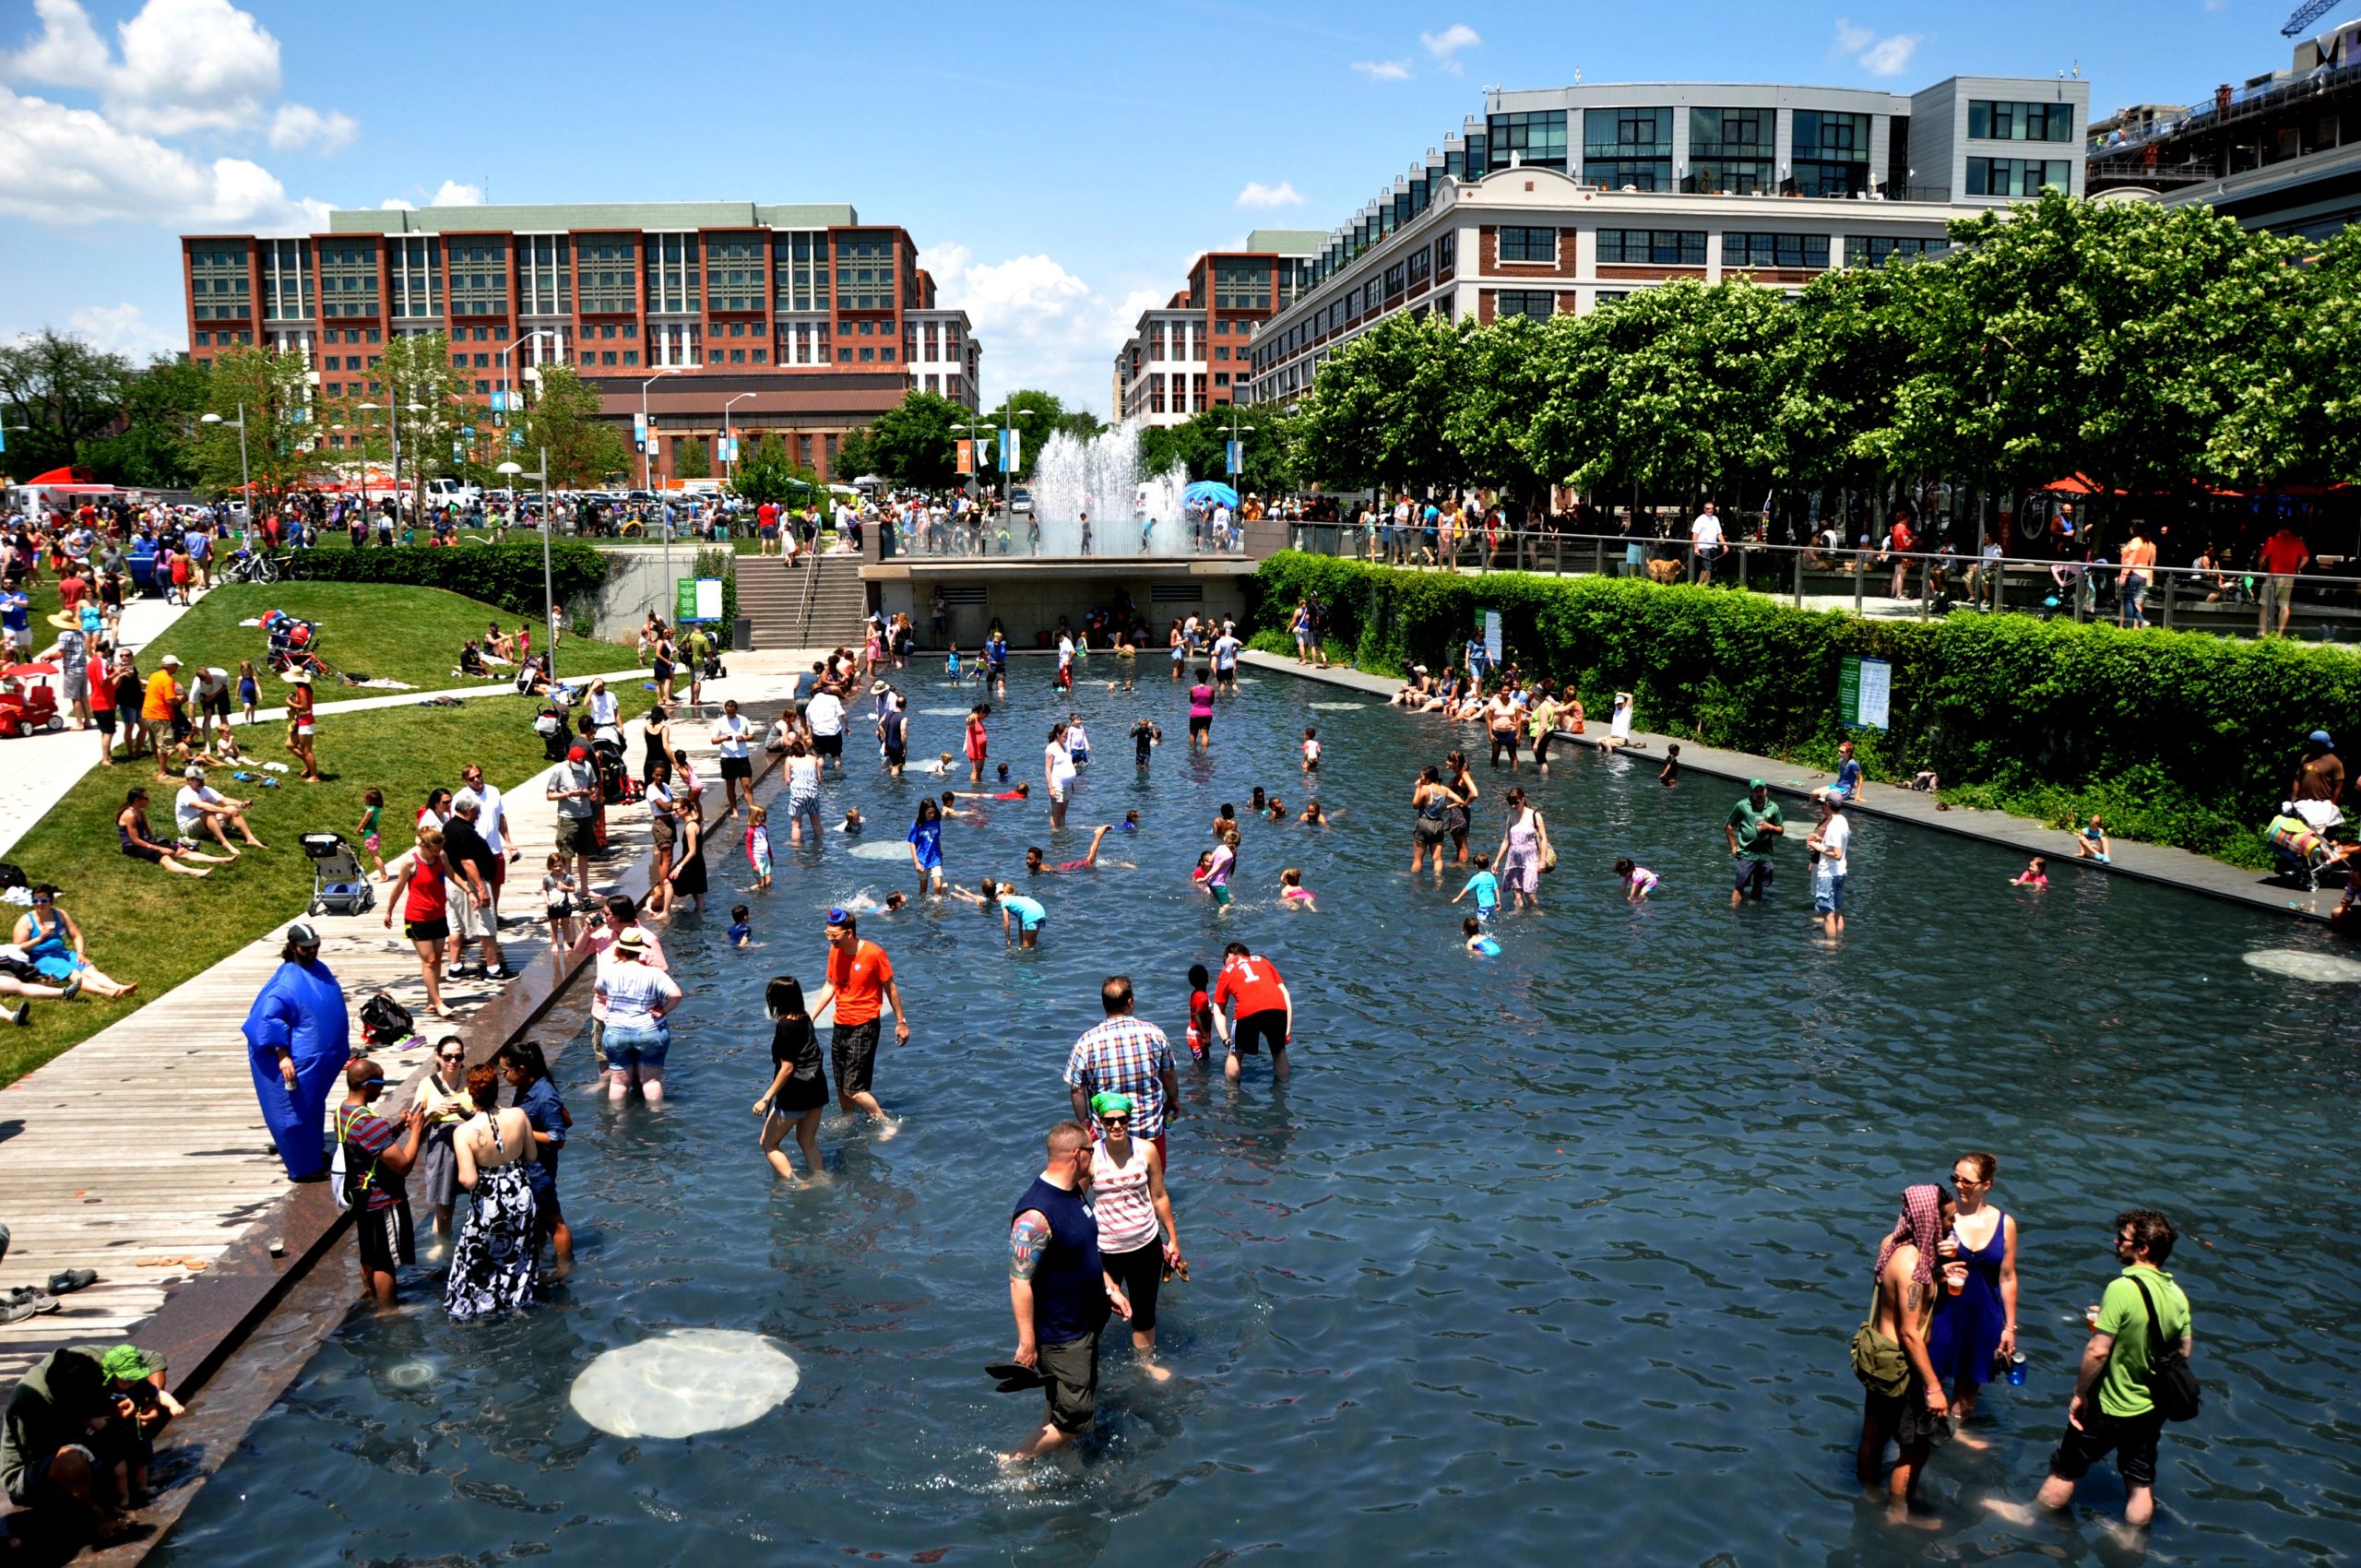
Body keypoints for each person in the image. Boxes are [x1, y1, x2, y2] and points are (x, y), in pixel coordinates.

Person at [1003, 1122, 1133, 1461]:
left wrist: (1110, 1289)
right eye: (1092, 1151)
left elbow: (1085, 1251)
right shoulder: (1034, 1216)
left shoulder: (1075, 1192)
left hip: (1086, 1322)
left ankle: (1053, 1459)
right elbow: (1019, 1281)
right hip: (1061, 1335)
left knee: (1058, 1404)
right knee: (1075, 1420)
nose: (1095, 1156)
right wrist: (1027, 1342)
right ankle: (1015, 1461)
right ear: (1077, 1154)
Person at [1856, 1183, 1956, 1515]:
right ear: (1930, 1218)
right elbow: (1911, 1333)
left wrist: (1938, 1276)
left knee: (1873, 1432)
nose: (1951, 1226)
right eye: (1947, 1219)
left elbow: (1895, 1297)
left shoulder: (1891, 1244)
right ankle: (1898, 1514)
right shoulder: (1915, 1268)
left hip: (1878, 1358)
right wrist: (1934, 1387)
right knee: (1915, 1448)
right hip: (1904, 1367)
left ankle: (1869, 1494)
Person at [241, 922, 351, 1181]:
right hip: (293, 1063)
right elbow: (264, 1020)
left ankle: (311, 1154)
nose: (313, 951)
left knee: (311, 1107)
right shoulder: (285, 983)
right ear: (293, 947)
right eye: (307, 947)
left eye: (316, 946)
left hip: (318, 1061)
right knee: (293, 1113)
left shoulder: (316, 969)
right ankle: (304, 1169)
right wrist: (283, 1055)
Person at [1086, 1091, 1183, 1381]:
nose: (1116, 1126)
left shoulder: (1146, 1150)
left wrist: (1174, 1239)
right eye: (1110, 1121)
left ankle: (1144, 1365)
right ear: (1100, 1122)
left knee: (1145, 1312)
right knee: (1095, 1314)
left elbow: (1160, 1196)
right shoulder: (1091, 1157)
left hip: (1145, 1244)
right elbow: (1077, 1204)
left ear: (1130, 1120)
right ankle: (1086, 1363)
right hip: (1106, 1250)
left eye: (1122, 1120)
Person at [1928, 1152, 2019, 1442]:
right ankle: (1920, 1440)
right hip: (1943, 1313)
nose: (1960, 1185)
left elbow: (2007, 1276)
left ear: (1987, 1185)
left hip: (1983, 1317)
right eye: (1955, 1179)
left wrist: (2009, 1327)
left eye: (1968, 1181)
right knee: (1929, 1382)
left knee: (1967, 1394)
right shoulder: (1942, 1218)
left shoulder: (2005, 1224)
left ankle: (1955, 1439)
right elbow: (1913, 1267)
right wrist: (1935, 1260)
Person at [443, 1063, 539, 1321]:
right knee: (517, 1252)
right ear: (497, 1089)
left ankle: (479, 1308)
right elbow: (531, 1155)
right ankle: (516, 1301)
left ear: (471, 1093)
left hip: (489, 1201)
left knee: (477, 1256)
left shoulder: (463, 1132)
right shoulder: (519, 1115)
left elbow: (469, 1180)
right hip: (520, 1194)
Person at [809, 910, 910, 1135]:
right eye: (827, 933)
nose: (829, 938)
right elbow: (830, 985)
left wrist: (900, 1021)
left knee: (854, 1087)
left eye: (833, 934)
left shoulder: (874, 954)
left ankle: (885, 1122)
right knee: (840, 1084)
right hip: (840, 1024)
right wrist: (812, 1016)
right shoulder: (834, 951)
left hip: (865, 1026)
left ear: (849, 932)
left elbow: (890, 988)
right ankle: (849, 1117)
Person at [335, 1056, 425, 1303]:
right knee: (385, 1261)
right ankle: (388, 1312)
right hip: (383, 1200)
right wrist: (417, 1129)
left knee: (369, 1254)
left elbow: (372, 1147)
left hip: (362, 1199)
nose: (382, 1086)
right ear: (366, 1085)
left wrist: (399, 1128)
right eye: (379, 1082)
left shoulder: (343, 1112)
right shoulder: (369, 1123)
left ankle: (373, 1299)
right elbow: (403, 1165)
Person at [1064, 975, 1179, 1162]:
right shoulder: (1155, 1034)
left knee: (1111, 1186)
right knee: (1154, 1187)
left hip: (1107, 1134)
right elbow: (1168, 1075)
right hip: (1149, 1132)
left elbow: (1077, 1089)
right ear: (1130, 1002)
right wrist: (1173, 1099)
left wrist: (1085, 1122)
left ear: (1104, 1005)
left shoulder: (1086, 1042)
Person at [497, 1040, 572, 1264]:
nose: (503, 1077)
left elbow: (557, 1138)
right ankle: (537, 1260)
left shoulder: (544, 1095)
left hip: (540, 1170)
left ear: (521, 1070)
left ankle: (564, 1268)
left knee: (554, 1221)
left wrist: (520, 1128)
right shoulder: (525, 1088)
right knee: (535, 1217)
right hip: (526, 1167)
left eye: (505, 1071)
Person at [754, 975, 828, 1184]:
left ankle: (797, 1183)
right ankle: (822, 1179)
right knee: (807, 1142)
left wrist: (766, 1098)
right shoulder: (805, 1018)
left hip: (796, 1094)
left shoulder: (785, 1026)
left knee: (768, 1144)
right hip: (817, 1089)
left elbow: (787, 1068)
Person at [595, 926, 682, 1103]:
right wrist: (662, 1010)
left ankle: (618, 1123)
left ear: (619, 950)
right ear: (640, 951)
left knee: (618, 1083)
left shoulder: (610, 971)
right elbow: (676, 995)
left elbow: (598, 989)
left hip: (616, 1031)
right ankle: (657, 1117)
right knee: (651, 1082)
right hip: (649, 1030)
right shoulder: (654, 973)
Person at [383, 827, 457, 1019]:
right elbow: (398, 888)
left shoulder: (441, 857)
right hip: (417, 917)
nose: (437, 853)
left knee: (438, 957)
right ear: (424, 846)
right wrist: (389, 910)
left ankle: (431, 1000)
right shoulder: (410, 862)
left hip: (438, 915)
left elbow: (451, 874)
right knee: (429, 959)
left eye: (439, 849)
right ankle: (439, 1002)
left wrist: (470, 891)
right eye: (433, 850)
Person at [12, 885, 131, 998]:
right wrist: (39, 938)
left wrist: (80, 953)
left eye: (43, 900)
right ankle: (105, 991)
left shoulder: (59, 914)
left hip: (61, 952)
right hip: (40, 957)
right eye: (35, 900)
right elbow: (18, 948)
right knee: (73, 972)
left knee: (88, 968)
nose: (39, 904)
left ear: (51, 900)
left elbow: (76, 934)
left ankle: (119, 987)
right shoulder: (26, 921)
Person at [410, 1038, 475, 1238]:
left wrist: (464, 1111)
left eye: (458, 1057)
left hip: (471, 1145)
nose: (453, 1061)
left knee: (479, 1198)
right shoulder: (427, 1084)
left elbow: (485, 1113)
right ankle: (442, 1247)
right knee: (444, 1207)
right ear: (438, 1056)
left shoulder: (470, 1080)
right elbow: (413, 1119)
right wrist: (431, 1110)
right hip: (443, 1148)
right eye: (448, 1057)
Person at [444, 790, 511, 980]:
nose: (478, 816)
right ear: (470, 810)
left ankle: (455, 967)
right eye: (477, 813)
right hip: (471, 884)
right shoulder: (464, 831)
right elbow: (467, 862)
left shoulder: (448, 827)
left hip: (455, 883)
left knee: (456, 925)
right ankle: (493, 969)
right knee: (487, 925)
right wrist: (481, 888)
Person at [1210, 941, 1291, 1083]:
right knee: (1279, 1051)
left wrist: (1226, 1039)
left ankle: (1231, 1095)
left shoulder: (1227, 970)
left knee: (1235, 1054)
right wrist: (1287, 1030)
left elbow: (1217, 1009)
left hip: (1247, 1010)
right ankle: (1283, 1090)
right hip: (1277, 1007)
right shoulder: (1262, 961)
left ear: (1230, 956)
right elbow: (1285, 993)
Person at [548, 743, 599, 897]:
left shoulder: (587, 766)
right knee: (567, 856)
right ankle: (567, 891)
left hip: (585, 815)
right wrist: (567, 795)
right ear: (569, 760)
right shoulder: (559, 770)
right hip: (568, 817)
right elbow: (550, 795)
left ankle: (585, 888)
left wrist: (588, 792)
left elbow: (593, 787)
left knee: (584, 854)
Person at [1726, 778, 1785, 906]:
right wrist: (1733, 847)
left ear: (1766, 790)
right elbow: (1729, 826)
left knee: (1759, 885)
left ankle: (1754, 909)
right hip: (1746, 853)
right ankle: (1733, 911)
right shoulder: (1742, 805)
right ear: (1751, 792)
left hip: (1765, 854)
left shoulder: (1773, 807)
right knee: (1740, 885)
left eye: (1761, 790)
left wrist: (1771, 827)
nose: (1759, 793)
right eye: (1756, 791)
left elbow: (1781, 830)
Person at [1492, 787, 1550, 912]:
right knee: (1517, 894)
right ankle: (1518, 916)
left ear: (1523, 799)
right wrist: (1497, 861)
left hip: (1530, 859)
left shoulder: (1535, 815)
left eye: (1516, 802)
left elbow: (1543, 839)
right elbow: (1506, 840)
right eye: (1511, 804)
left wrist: (1542, 861)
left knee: (1530, 893)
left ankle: (1535, 915)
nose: (1513, 806)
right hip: (1514, 860)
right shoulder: (1511, 817)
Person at [1806, 797, 1850, 937]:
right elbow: (1838, 843)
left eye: (1822, 804)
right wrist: (1821, 840)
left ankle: (1830, 946)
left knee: (1827, 914)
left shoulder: (1833, 825)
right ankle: (1839, 939)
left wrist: (1817, 846)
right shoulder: (1842, 820)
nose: (1821, 807)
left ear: (1827, 804)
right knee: (1837, 909)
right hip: (1840, 872)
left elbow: (1837, 853)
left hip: (1829, 874)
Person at [2257, 524, 2309, 636]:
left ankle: (2262, 632)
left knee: (2265, 604)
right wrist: (2298, 568)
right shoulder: (2297, 542)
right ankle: (2279, 634)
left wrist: (2261, 566)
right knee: (2284, 605)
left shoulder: (2272, 540)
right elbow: (2306, 558)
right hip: (2289, 576)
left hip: (2274, 576)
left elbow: (2263, 557)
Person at [908, 797, 947, 895]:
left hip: (935, 858)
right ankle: (922, 907)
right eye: (929, 813)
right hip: (921, 859)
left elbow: (937, 839)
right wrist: (916, 862)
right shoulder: (917, 824)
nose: (932, 815)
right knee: (923, 888)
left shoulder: (936, 822)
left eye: (933, 812)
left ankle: (938, 908)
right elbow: (912, 843)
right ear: (923, 811)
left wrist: (941, 855)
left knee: (938, 886)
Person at [1453, 852, 1501, 926]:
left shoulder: (1476, 878)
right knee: (1488, 919)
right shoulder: (1491, 876)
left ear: (1476, 866)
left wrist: (1458, 898)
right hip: (1492, 904)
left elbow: (1466, 888)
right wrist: (1498, 901)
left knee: (1481, 923)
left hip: (1483, 906)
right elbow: (1496, 889)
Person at [1816, 738, 1863, 805]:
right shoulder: (1841, 761)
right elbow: (1845, 775)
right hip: (1837, 786)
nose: (1839, 753)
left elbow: (1860, 778)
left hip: (1844, 790)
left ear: (1848, 753)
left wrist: (1858, 795)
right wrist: (1852, 784)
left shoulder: (1853, 764)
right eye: (1839, 751)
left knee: (1822, 795)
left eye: (1842, 752)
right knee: (1814, 793)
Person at [1690, 500, 1724, 584]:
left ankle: (1705, 585)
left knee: (1711, 568)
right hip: (1703, 546)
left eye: (1712, 508)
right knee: (1706, 567)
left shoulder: (1715, 519)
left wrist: (1725, 545)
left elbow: (1719, 534)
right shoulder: (1700, 519)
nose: (1710, 510)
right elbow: (1695, 535)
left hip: (1713, 547)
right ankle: (1699, 584)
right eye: (1708, 508)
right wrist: (1696, 548)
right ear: (1704, 509)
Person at [1186, 667, 1216, 751]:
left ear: (1197, 677)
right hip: (1207, 713)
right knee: (1205, 734)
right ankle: (1204, 753)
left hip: (1195, 713)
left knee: (1193, 734)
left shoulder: (1193, 689)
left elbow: (1191, 701)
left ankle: (1192, 751)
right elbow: (1212, 702)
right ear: (1207, 677)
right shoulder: (1211, 689)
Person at [966, 702, 991, 784]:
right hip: (975, 748)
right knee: (975, 770)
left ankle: (978, 786)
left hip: (981, 749)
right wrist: (969, 719)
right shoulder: (973, 718)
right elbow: (969, 720)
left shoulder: (979, 719)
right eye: (986, 714)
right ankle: (974, 789)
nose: (987, 716)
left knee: (980, 770)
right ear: (981, 712)